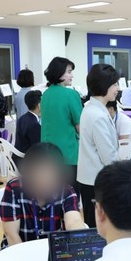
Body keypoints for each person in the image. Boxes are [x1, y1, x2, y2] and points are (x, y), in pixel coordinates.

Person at [0, 143, 83, 248]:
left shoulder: (66, 191)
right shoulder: (14, 188)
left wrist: (77, 235)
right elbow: (11, 234)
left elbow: (74, 221)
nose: (45, 180)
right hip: (18, 248)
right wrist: (26, 257)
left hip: (53, 251)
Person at [77, 64, 120, 227]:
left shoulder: (91, 109)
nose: (118, 88)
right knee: (98, 228)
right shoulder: (98, 115)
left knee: (95, 226)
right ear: (104, 85)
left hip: (91, 179)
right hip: (96, 181)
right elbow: (109, 157)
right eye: (115, 84)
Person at [40, 57, 82, 190]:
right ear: (59, 74)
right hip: (68, 153)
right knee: (70, 194)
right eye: (69, 72)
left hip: (47, 152)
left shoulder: (46, 94)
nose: (72, 75)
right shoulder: (71, 94)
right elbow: (80, 127)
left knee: (53, 194)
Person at [14, 90, 42, 157]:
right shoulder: (35, 125)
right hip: (27, 159)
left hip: (18, 157)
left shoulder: (22, 118)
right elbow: (37, 149)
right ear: (39, 105)